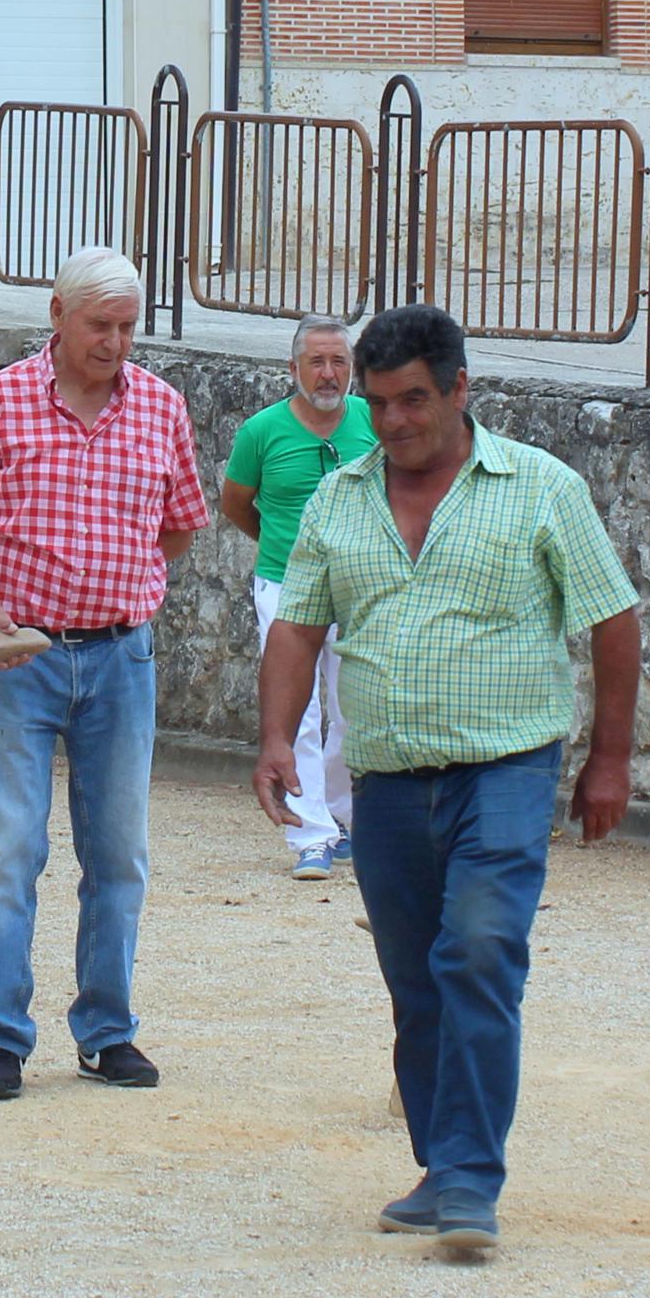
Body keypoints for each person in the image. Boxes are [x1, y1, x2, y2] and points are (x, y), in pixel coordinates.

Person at [258, 302, 642, 1266]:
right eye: (379, 403)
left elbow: (611, 618)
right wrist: (273, 738)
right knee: (414, 978)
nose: (392, 422)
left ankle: (471, 1177)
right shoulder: (340, 499)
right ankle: (440, 1166)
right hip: (386, 780)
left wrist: (608, 758)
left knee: (477, 948)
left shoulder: (540, 487)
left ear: (461, 389)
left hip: (506, 765)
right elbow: (299, 625)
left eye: (413, 400)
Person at [0, 244, 205, 1102]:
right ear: (56, 315)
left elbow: (180, 523)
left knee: (119, 851)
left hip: (122, 654)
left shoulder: (161, 407)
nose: (116, 343)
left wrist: (125, 589)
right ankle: (0, 1040)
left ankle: (106, 1030)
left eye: (127, 327)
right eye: (100, 325)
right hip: (22, 657)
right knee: (10, 848)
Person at [222, 316, 375, 882]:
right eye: (317, 362)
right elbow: (237, 502)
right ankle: (309, 834)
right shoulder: (262, 431)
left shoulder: (372, 421)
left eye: (339, 362)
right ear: (293, 369)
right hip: (287, 586)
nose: (329, 374)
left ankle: (342, 817)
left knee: (356, 705)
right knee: (298, 711)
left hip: (360, 586)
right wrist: (278, 549)